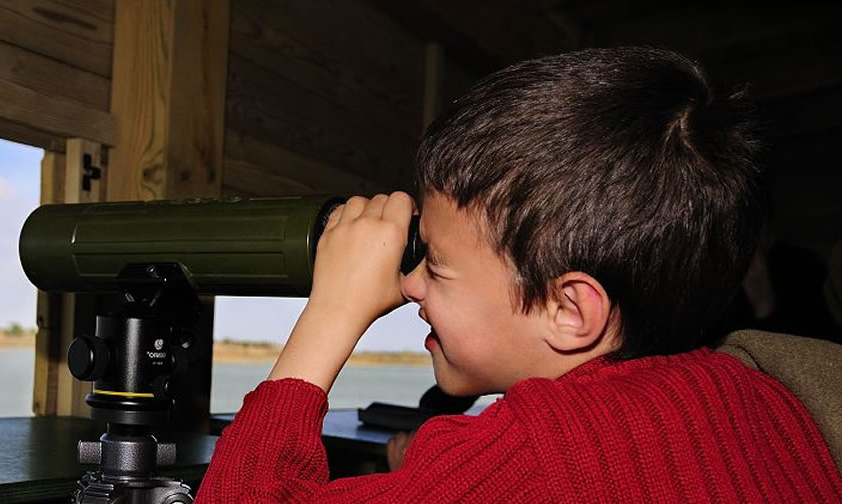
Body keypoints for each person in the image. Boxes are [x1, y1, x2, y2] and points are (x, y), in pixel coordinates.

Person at [196, 47, 842, 502]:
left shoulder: (534, 450)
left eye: (438, 267)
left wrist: (333, 310)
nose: (411, 283)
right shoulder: (756, 398)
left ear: (571, 312)